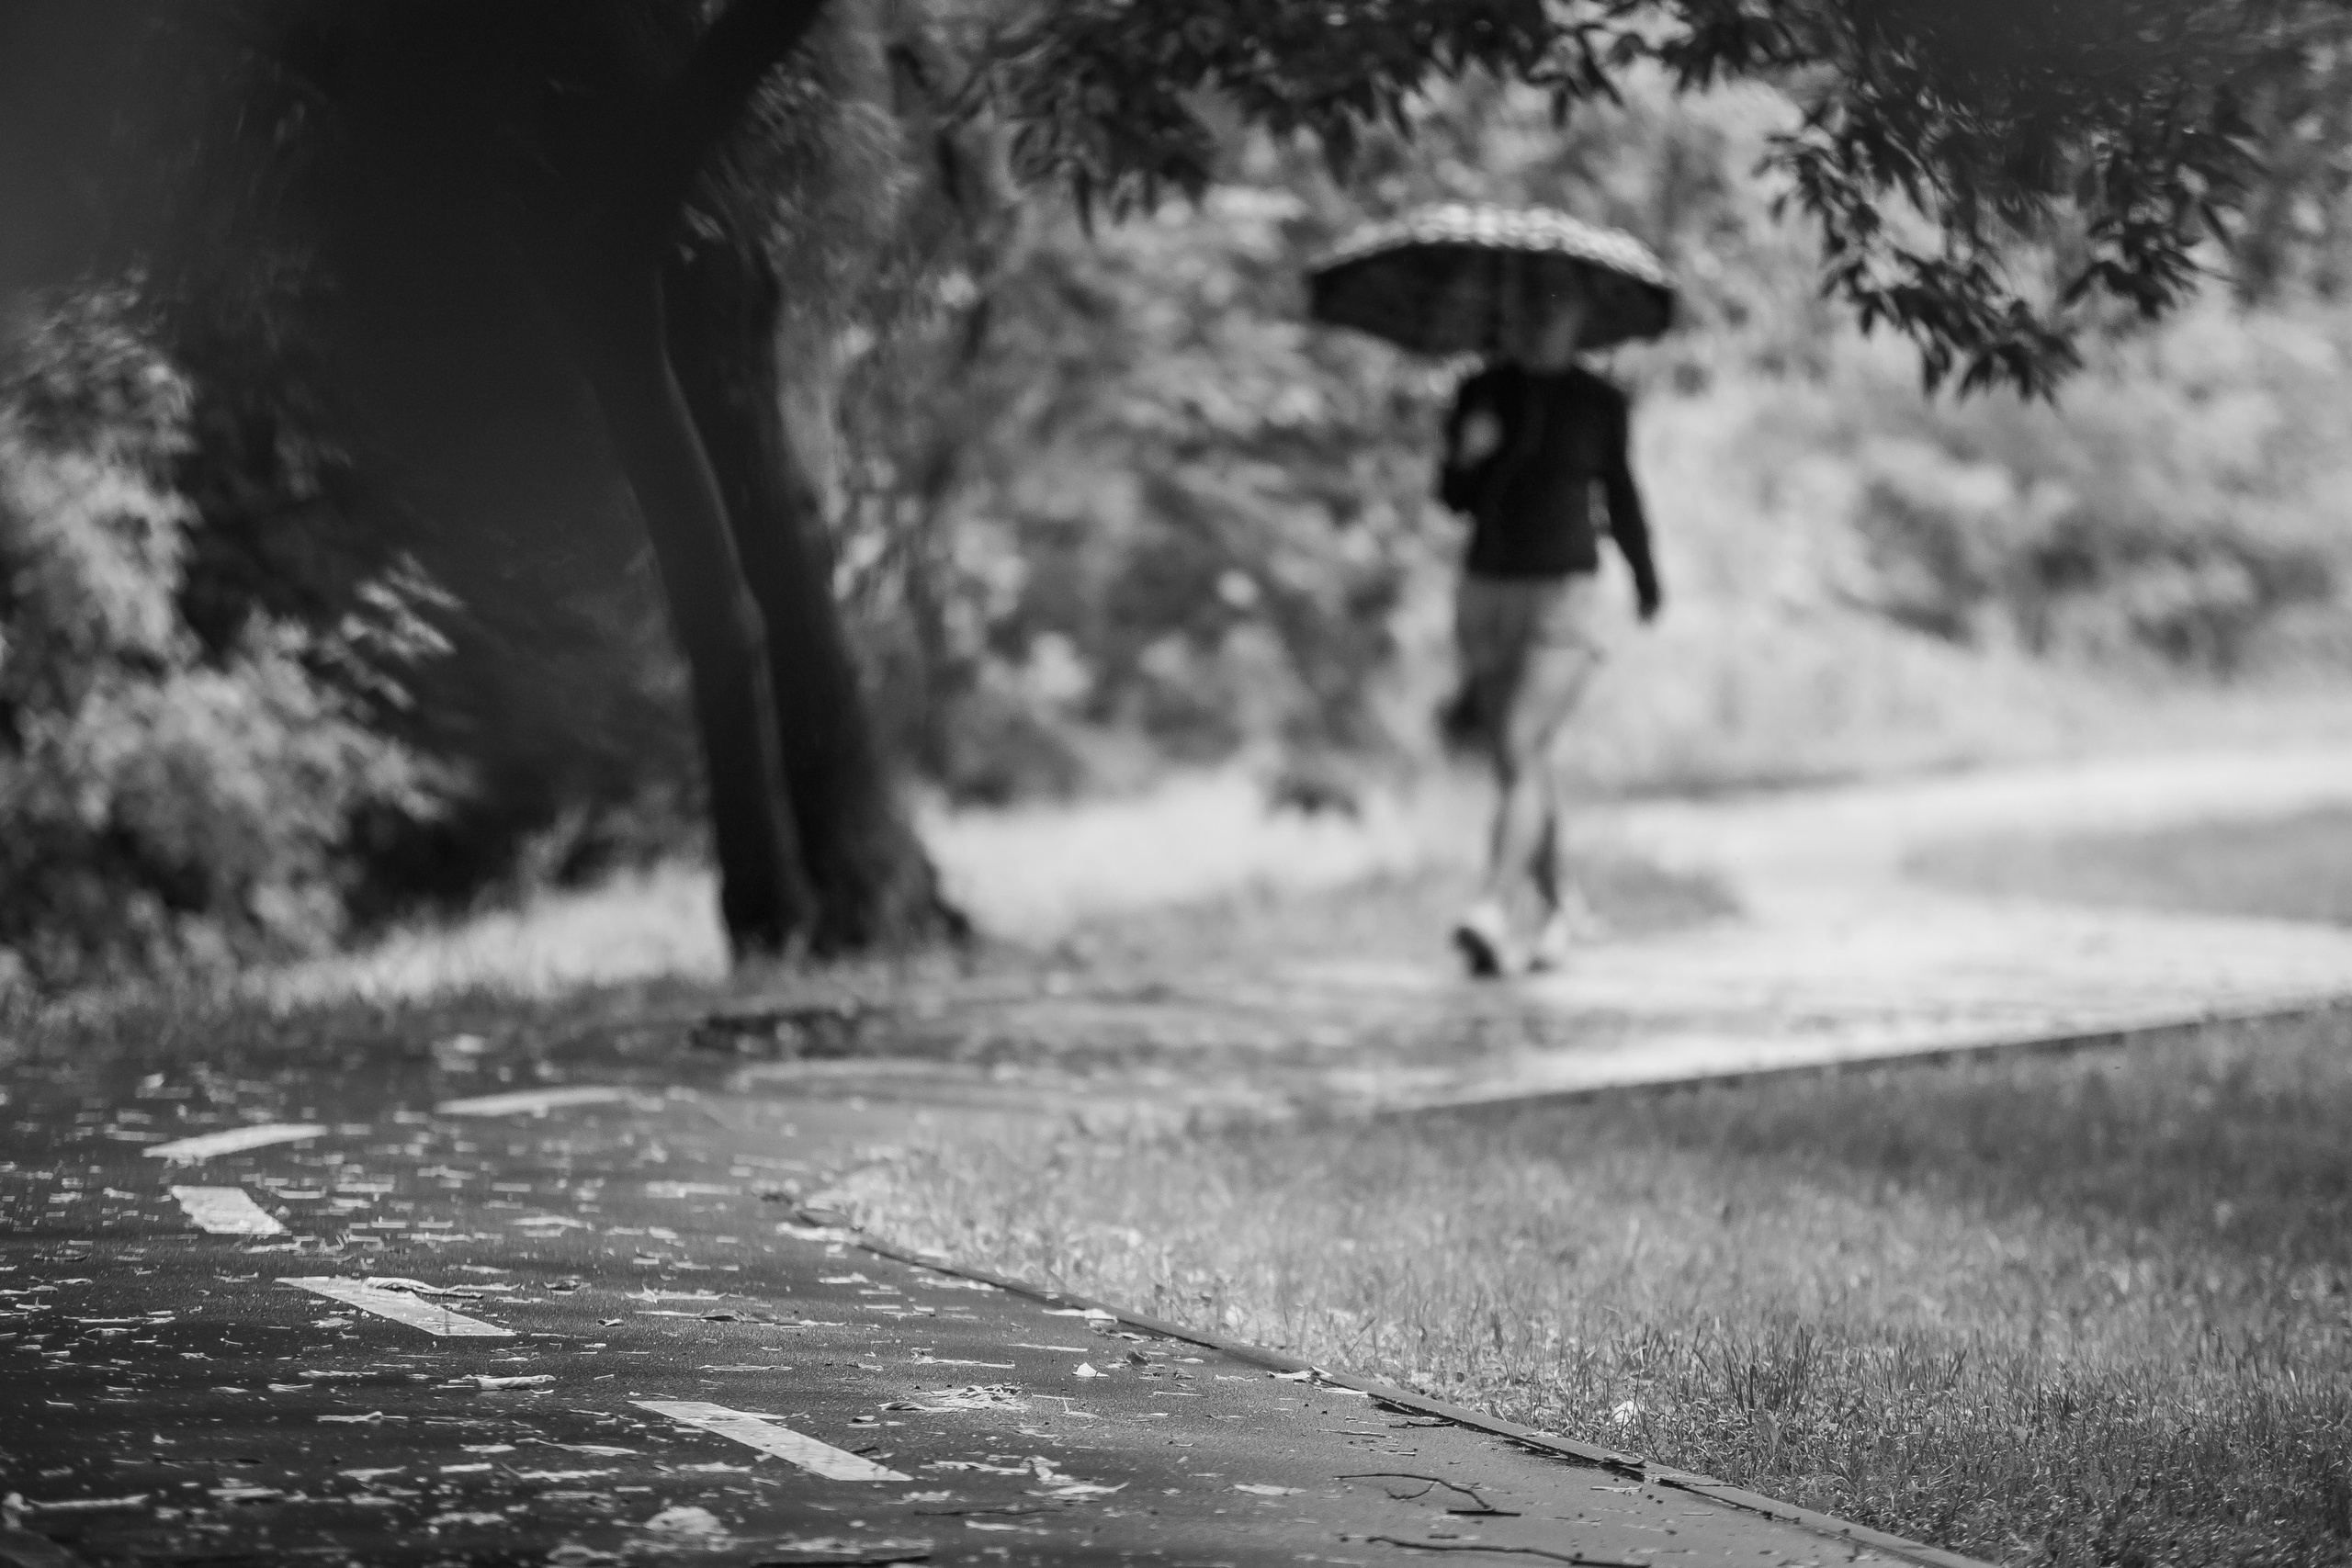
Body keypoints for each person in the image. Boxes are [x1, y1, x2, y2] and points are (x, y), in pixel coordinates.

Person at [1435, 294, 1661, 977]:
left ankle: (1493, 907)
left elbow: (1620, 492)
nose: (1538, 322)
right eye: (1527, 312)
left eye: (1552, 311)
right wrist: (1471, 455)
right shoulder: (1481, 389)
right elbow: (1450, 496)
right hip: (1488, 589)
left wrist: (1647, 576)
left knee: (1521, 743)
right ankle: (1560, 908)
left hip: (1565, 592)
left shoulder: (1599, 400)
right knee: (1519, 764)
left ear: (1576, 320)